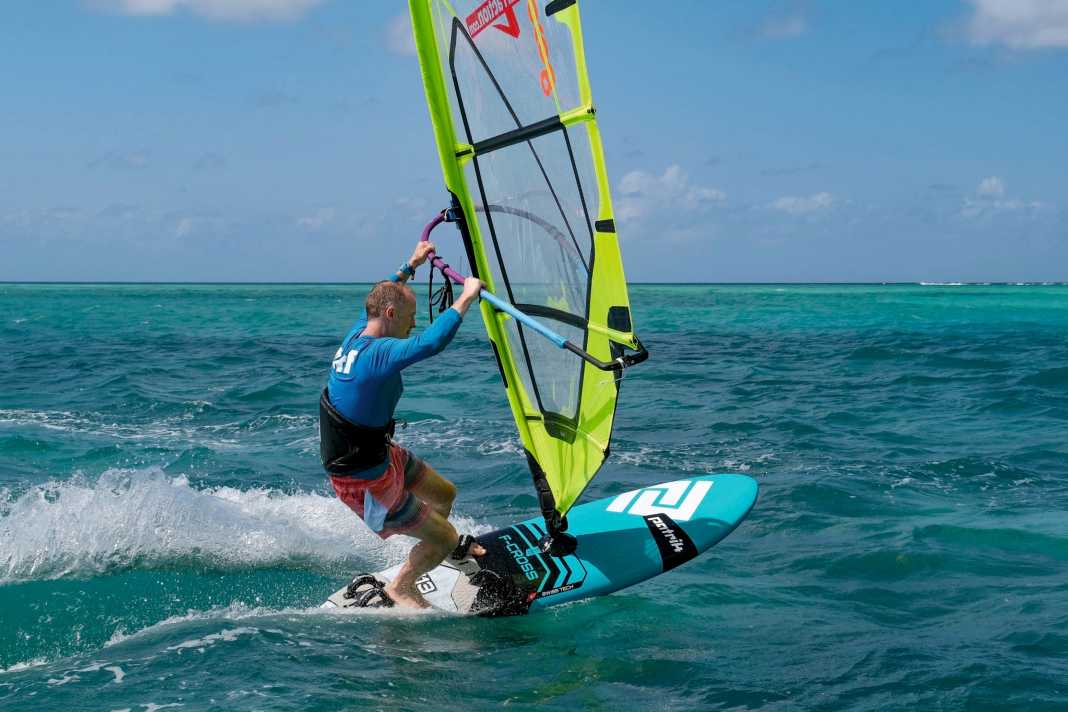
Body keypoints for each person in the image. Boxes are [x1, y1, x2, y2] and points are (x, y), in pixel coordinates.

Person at [319, 239, 485, 609]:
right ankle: (403, 586)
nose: (414, 324)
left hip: (379, 453)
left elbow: (379, 295)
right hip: (364, 478)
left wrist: (410, 265)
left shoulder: (359, 333)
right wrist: (467, 297)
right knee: (445, 535)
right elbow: (430, 344)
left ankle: (434, 546)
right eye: (410, 317)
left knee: (444, 495)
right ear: (392, 314)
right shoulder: (376, 356)